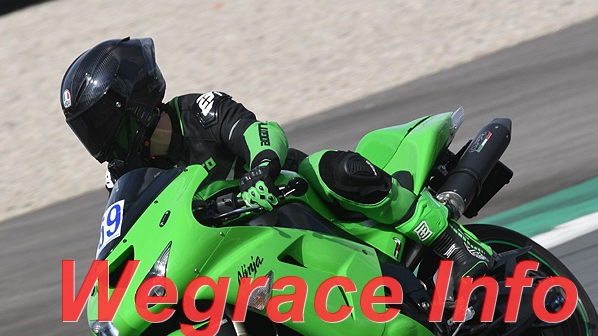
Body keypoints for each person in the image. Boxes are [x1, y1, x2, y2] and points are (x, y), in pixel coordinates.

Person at [60, 37, 494, 282]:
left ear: (132, 105)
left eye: (99, 124)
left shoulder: (198, 111)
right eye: (88, 130)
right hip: (233, 251)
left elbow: (261, 132)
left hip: (293, 201)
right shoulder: (125, 177)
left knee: (333, 169)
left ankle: (451, 243)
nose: (97, 139)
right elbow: (120, 238)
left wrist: (261, 169)